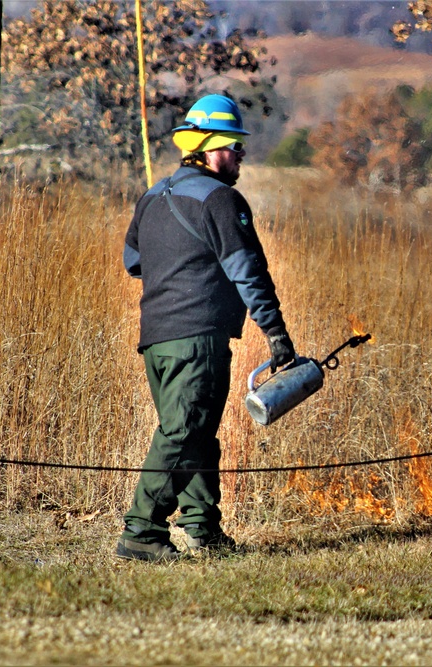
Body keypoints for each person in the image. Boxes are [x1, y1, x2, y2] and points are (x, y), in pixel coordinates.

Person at [116, 94, 295, 562]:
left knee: (193, 431)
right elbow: (248, 272)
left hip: (155, 339)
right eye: (235, 146)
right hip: (197, 338)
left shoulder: (152, 197)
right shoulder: (221, 199)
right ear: (211, 148)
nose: (240, 156)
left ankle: (201, 527)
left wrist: (176, 269)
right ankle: (142, 531)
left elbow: (133, 262)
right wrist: (275, 333)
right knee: (183, 432)